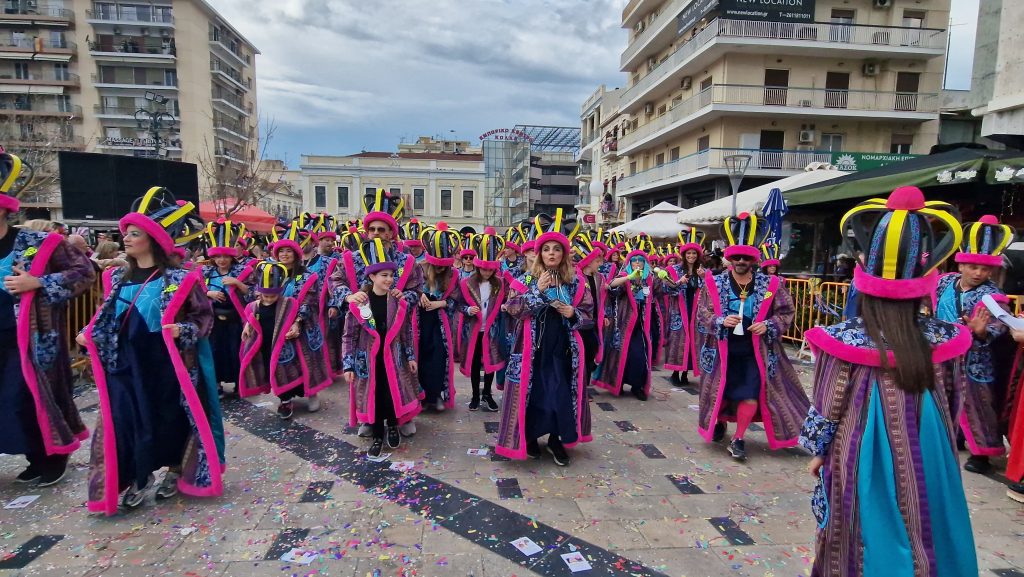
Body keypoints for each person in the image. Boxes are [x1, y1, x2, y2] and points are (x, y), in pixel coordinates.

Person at [800, 187, 977, 577]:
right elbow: (954, 400)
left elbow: (829, 404)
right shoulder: (945, 339)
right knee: (926, 522)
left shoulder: (843, 339)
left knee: (859, 528)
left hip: (858, 447)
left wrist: (817, 451)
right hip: (929, 444)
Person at [80, 187, 223, 514]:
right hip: (124, 363)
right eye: (125, 234)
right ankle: (135, 475)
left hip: (166, 366)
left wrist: (183, 330)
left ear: (153, 240)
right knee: (126, 420)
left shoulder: (181, 277)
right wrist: (89, 333)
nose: (125, 239)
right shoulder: (116, 276)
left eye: (133, 234)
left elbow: (204, 317)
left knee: (168, 419)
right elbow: (107, 314)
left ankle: (174, 469)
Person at [0, 152, 93, 487]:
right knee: (7, 402)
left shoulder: (38, 242)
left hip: (33, 337)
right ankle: (33, 455)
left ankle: (52, 456)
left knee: (29, 398)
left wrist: (38, 283)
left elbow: (84, 273)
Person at [695, 212, 809, 460]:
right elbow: (702, 311)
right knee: (721, 391)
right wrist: (719, 320)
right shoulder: (713, 282)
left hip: (756, 351)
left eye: (745, 257)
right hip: (722, 348)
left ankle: (739, 438)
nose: (740, 261)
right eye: (736, 256)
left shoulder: (771, 284)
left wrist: (768, 325)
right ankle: (720, 423)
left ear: (753, 259)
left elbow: (787, 311)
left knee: (750, 392)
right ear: (729, 257)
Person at [497, 216, 593, 464]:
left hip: (563, 351)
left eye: (557, 249)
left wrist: (574, 314)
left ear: (564, 253)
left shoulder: (576, 283)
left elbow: (589, 318)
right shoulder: (525, 280)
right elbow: (513, 309)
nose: (552, 254)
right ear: (539, 254)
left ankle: (555, 439)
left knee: (559, 394)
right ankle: (529, 437)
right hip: (531, 350)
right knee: (534, 395)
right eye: (547, 249)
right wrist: (537, 291)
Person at [933, 214, 1015, 474]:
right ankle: (954, 436)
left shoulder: (993, 296)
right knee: (943, 397)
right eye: (973, 267)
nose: (979, 273)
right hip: (942, 353)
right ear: (961, 265)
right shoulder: (943, 283)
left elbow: (999, 326)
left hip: (975, 359)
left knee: (978, 405)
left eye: (985, 269)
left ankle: (983, 454)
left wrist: (982, 332)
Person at [343, 239, 420, 459]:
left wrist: (410, 356)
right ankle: (377, 435)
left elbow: (405, 332)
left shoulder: (399, 302)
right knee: (373, 396)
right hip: (368, 359)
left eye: (391, 275)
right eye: (383, 275)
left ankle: (394, 425)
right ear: (372, 277)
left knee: (392, 392)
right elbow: (349, 335)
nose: (389, 279)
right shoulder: (359, 303)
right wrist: (348, 364)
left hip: (393, 358)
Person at [267, 219, 330, 418]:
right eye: (281, 251)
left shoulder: (307, 275)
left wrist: (297, 322)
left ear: (296, 253)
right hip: (277, 326)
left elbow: (310, 300)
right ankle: (285, 399)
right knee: (282, 362)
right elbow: (260, 296)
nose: (285, 255)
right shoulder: (270, 273)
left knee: (307, 360)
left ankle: (311, 393)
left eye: (289, 251)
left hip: (304, 324)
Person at [594, 248, 663, 401]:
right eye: (634, 261)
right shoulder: (624, 275)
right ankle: (618, 384)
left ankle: (637, 386)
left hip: (643, 323)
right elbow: (610, 286)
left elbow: (665, 291)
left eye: (640, 261)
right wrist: (628, 278)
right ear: (629, 263)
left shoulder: (650, 278)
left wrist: (666, 278)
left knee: (640, 355)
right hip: (624, 323)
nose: (637, 263)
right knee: (622, 354)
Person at [237, 261, 307, 398]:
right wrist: (247, 326)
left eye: (272, 296)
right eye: (266, 296)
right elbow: (251, 318)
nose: (269, 299)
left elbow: (293, 317)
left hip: (284, 345)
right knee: (273, 373)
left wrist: (295, 325)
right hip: (265, 346)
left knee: (288, 372)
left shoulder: (288, 304)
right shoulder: (254, 306)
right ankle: (284, 400)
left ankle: (296, 396)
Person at [457, 229, 507, 412]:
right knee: (475, 362)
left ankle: (487, 394)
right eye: (484, 268)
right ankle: (475, 395)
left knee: (491, 362)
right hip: (473, 330)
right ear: (478, 267)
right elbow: (459, 305)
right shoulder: (466, 283)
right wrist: (468, 310)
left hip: (491, 329)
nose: (487, 272)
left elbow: (508, 301)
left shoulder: (500, 283)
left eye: (490, 269)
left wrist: (505, 307)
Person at [202, 219, 253, 398]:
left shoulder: (243, 271)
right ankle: (217, 384)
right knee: (215, 351)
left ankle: (240, 383)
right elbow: (195, 292)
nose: (221, 260)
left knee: (236, 350)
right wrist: (209, 293)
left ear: (231, 256)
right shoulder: (206, 273)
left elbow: (254, 294)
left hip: (236, 318)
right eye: (218, 256)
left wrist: (237, 283)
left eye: (225, 256)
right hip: (214, 319)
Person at [416, 223, 460, 412]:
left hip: (440, 322)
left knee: (439, 357)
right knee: (421, 357)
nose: (440, 269)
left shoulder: (455, 275)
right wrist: (419, 294)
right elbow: (405, 287)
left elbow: (456, 300)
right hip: (419, 321)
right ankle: (423, 396)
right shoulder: (417, 269)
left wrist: (439, 304)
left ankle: (437, 395)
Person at [572, 235, 607, 392]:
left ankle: (584, 385)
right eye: (597, 261)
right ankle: (580, 387)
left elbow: (602, 298)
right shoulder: (576, 277)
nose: (600, 264)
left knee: (591, 350)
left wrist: (604, 315)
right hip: (579, 323)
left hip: (593, 322)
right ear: (589, 261)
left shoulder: (599, 278)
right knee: (581, 355)